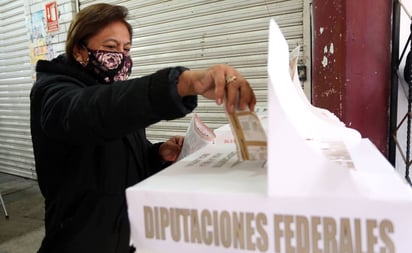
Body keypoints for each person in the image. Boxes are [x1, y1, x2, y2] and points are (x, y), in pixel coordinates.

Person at [30, 3, 256, 253]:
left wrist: (156, 154)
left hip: (125, 235)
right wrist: (183, 83)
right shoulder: (53, 92)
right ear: (79, 50)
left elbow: (119, 152)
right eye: (110, 47)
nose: (122, 57)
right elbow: (91, 113)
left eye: (126, 49)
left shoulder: (110, 90)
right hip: (79, 240)